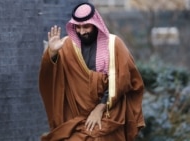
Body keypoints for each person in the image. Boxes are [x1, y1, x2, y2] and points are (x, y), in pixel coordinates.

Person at [39, 2, 145, 141]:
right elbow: (52, 78)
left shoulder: (114, 44)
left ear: (95, 24)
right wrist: (52, 54)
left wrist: (99, 108)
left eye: (86, 26)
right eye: (78, 27)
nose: (82, 31)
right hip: (77, 118)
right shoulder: (67, 46)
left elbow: (122, 80)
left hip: (109, 113)